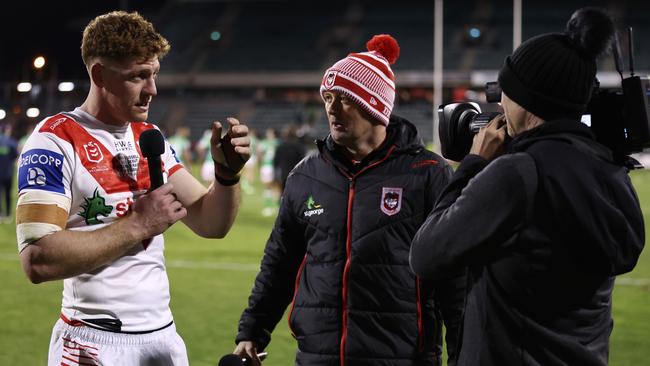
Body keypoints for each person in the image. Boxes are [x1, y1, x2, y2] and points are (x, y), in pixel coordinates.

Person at [410, 8, 645, 366]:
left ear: (526, 101)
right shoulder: (611, 171)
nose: (500, 102)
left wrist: (473, 164)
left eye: (506, 91)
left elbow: (426, 254)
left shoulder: (519, 173)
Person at [15, 11, 250, 366]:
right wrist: (139, 224)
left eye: (154, 74)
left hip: (162, 337)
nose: (152, 89)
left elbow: (211, 223)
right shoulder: (55, 140)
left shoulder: (149, 138)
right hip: (92, 341)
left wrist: (226, 174)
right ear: (100, 75)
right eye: (138, 76)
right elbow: (38, 260)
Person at [233, 34, 464, 366]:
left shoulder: (428, 174)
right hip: (317, 358)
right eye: (327, 97)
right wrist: (252, 331)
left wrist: (462, 355)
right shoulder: (306, 175)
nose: (331, 107)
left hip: (400, 359)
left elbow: (455, 282)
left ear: (374, 104)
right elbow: (280, 264)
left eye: (344, 98)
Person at [273, 124, 306, 192]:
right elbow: (303, 162)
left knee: (284, 194)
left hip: (284, 175)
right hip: (296, 175)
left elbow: (276, 162)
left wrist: (275, 175)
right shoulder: (299, 147)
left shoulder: (281, 147)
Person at [0, 123, 18, 222]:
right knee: (7, 194)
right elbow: (15, 156)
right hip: (8, 172)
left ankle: (0, 214)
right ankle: (7, 214)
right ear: (8, 130)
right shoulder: (12, 142)